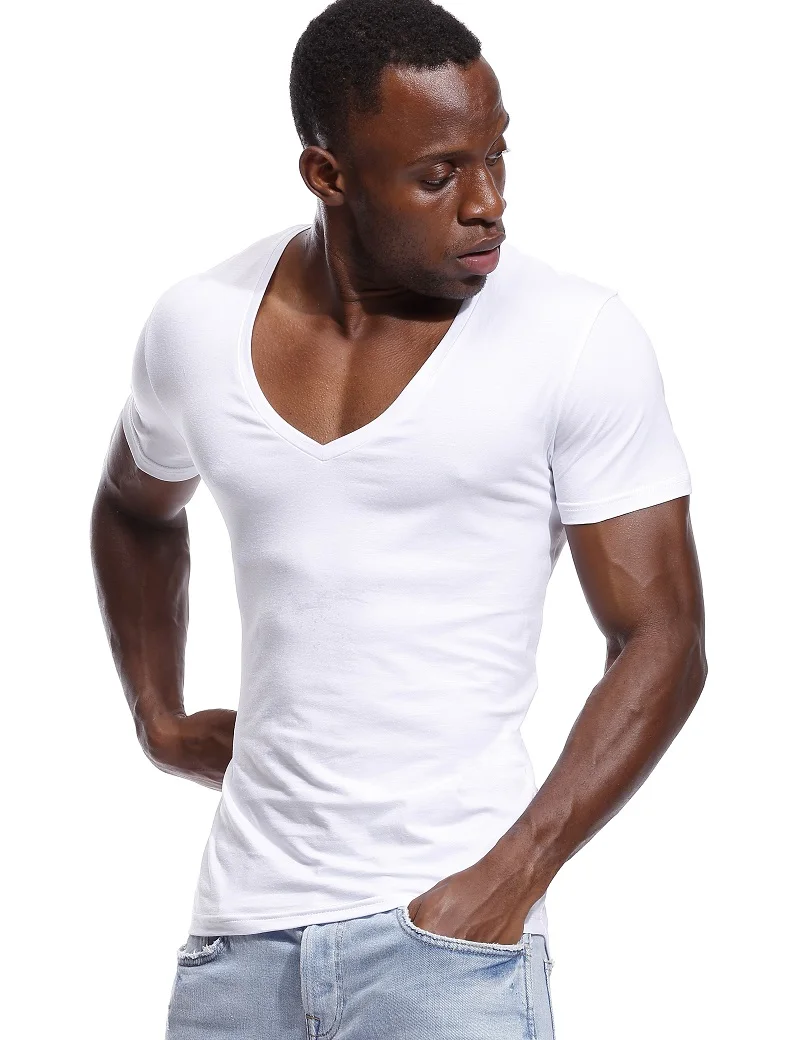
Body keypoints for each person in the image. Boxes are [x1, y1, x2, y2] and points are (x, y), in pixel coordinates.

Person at [90, 0, 707, 1036]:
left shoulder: (572, 335)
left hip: (449, 949)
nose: (488, 203)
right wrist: (157, 713)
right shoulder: (198, 324)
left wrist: (507, 880)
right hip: (237, 946)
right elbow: (133, 506)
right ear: (327, 175)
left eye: (496, 156)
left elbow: (663, 636)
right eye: (439, 174)